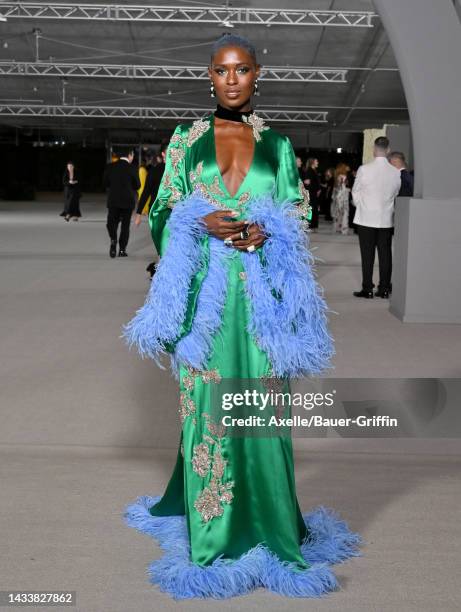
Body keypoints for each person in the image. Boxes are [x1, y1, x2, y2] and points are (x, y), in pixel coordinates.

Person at [122, 33, 361, 600]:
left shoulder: (277, 145)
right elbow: (162, 207)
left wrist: (266, 230)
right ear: (210, 75)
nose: (232, 79)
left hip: (260, 304)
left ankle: (275, 526)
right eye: (222, 70)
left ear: (259, 75)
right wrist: (194, 224)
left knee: (262, 404)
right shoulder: (186, 139)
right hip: (204, 295)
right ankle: (212, 538)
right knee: (207, 406)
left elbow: (298, 211)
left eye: (243, 70)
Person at [352, 136, 401, 299]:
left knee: (367, 255)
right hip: (385, 218)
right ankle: (384, 288)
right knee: (385, 254)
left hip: (366, 217)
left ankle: (367, 289)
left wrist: (361, 204)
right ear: (387, 150)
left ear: (374, 150)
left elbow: (355, 191)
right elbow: (396, 193)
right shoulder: (395, 172)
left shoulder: (364, 169)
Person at [134, 144, 168, 278]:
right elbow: (146, 192)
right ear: (163, 155)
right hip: (158, 214)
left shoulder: (180, 171)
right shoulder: (155, 171)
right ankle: (160, 270)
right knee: (162, 245)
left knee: (168, 245)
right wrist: (138, 213)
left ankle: (160, 269)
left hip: (176, 214)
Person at [102, 147, 140, 258]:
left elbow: (104, 183)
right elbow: (138, 185)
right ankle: (122, 250)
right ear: (130, 155)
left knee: (111, 223)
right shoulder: (132, 168)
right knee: (125, 226)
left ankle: (113, 239)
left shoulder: (110, 166)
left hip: (113, 200)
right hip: (127, 202)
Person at [331, 165, 350, 235]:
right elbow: (343, 187)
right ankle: (344, 229)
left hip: (337, 196)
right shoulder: (343, 176)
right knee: (344, 213)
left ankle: (337, 228)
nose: (348, 168)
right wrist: (348, 190)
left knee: (338, 213)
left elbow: (336, 187)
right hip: (343, 196)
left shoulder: (337, 176)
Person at [305, 157, 321, 232]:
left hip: (314, 193)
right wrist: (315, 189)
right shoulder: (309, 171)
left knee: (314, 209)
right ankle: (310, 225)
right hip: (311, 193)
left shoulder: (314, 170)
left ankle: (314, 226)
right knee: (311, 209)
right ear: (312, 163)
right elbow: (308, 183)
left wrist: (318, 189)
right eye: (316, 161)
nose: (317, 162)